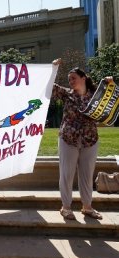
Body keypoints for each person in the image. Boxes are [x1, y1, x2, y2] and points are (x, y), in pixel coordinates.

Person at [52, 58, 113, 220]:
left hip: (90, 140)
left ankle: (87, 207)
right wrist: (53, 69)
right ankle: (66, 207)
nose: (71, 81)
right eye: (69, 79)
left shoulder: (96, 96)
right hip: (68, 139)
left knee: (87, 175)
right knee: (66, 174)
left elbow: (112, 99)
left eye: (74, 78)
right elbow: (48, 86)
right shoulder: (66, 94)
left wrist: (110, 82)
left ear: (83, 78)